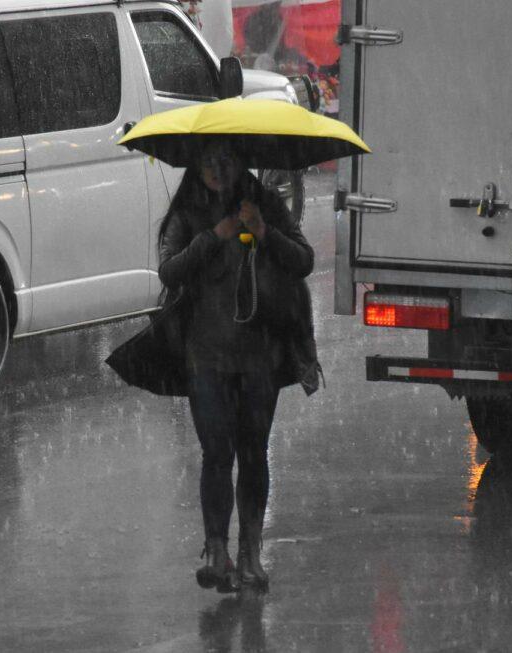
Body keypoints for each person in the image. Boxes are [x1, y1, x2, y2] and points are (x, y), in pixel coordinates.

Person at [157, 139, 315, 593]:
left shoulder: (262, 203)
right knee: (216, 454)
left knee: (253, 454)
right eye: (209, 160)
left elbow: (304, 260)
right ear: (197, 166)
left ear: (241, 163)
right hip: (205, 358)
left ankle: (250, 554)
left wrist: (264, 231)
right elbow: (169, 271)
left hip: (259, 359)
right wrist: (215, 237)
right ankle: (217, 551)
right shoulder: (187, 212)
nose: (218, 169)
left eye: (226, 159)